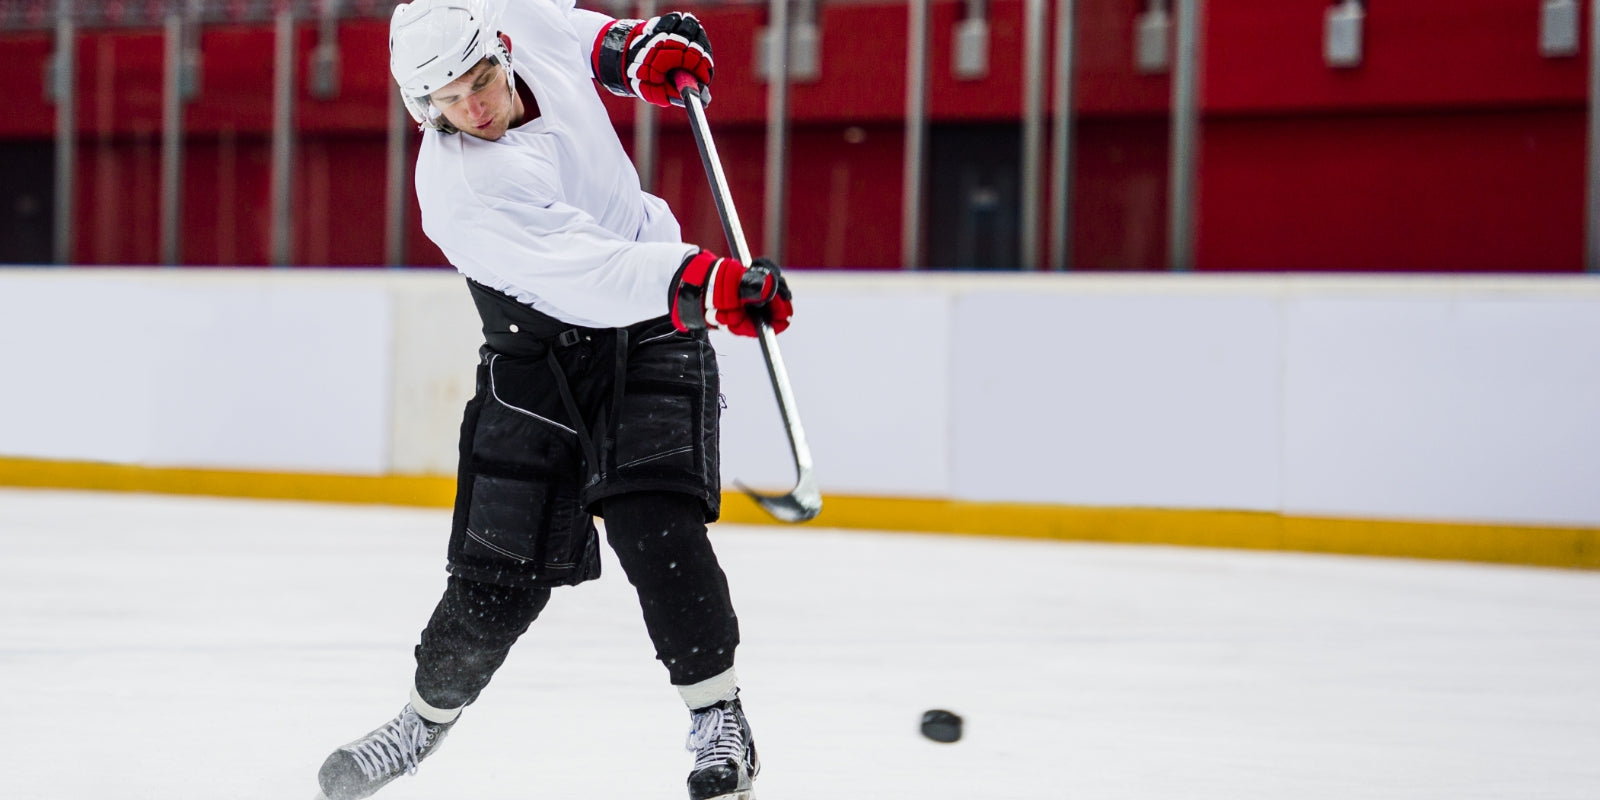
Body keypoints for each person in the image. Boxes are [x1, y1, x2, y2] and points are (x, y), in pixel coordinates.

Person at [314, 1, 792, 799]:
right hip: (542, 356)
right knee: (497, 574)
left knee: (655, 520)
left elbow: (562, 28)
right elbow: (587, 273)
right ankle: (421, 720)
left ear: (500, 50)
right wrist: (700, 282)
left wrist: (626, 51)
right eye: (449, 102)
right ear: (421, 108)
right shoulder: (461, 189)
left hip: (648, 326)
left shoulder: (506, 17)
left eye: (482, 81)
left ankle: (718, 720)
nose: (475, 108)